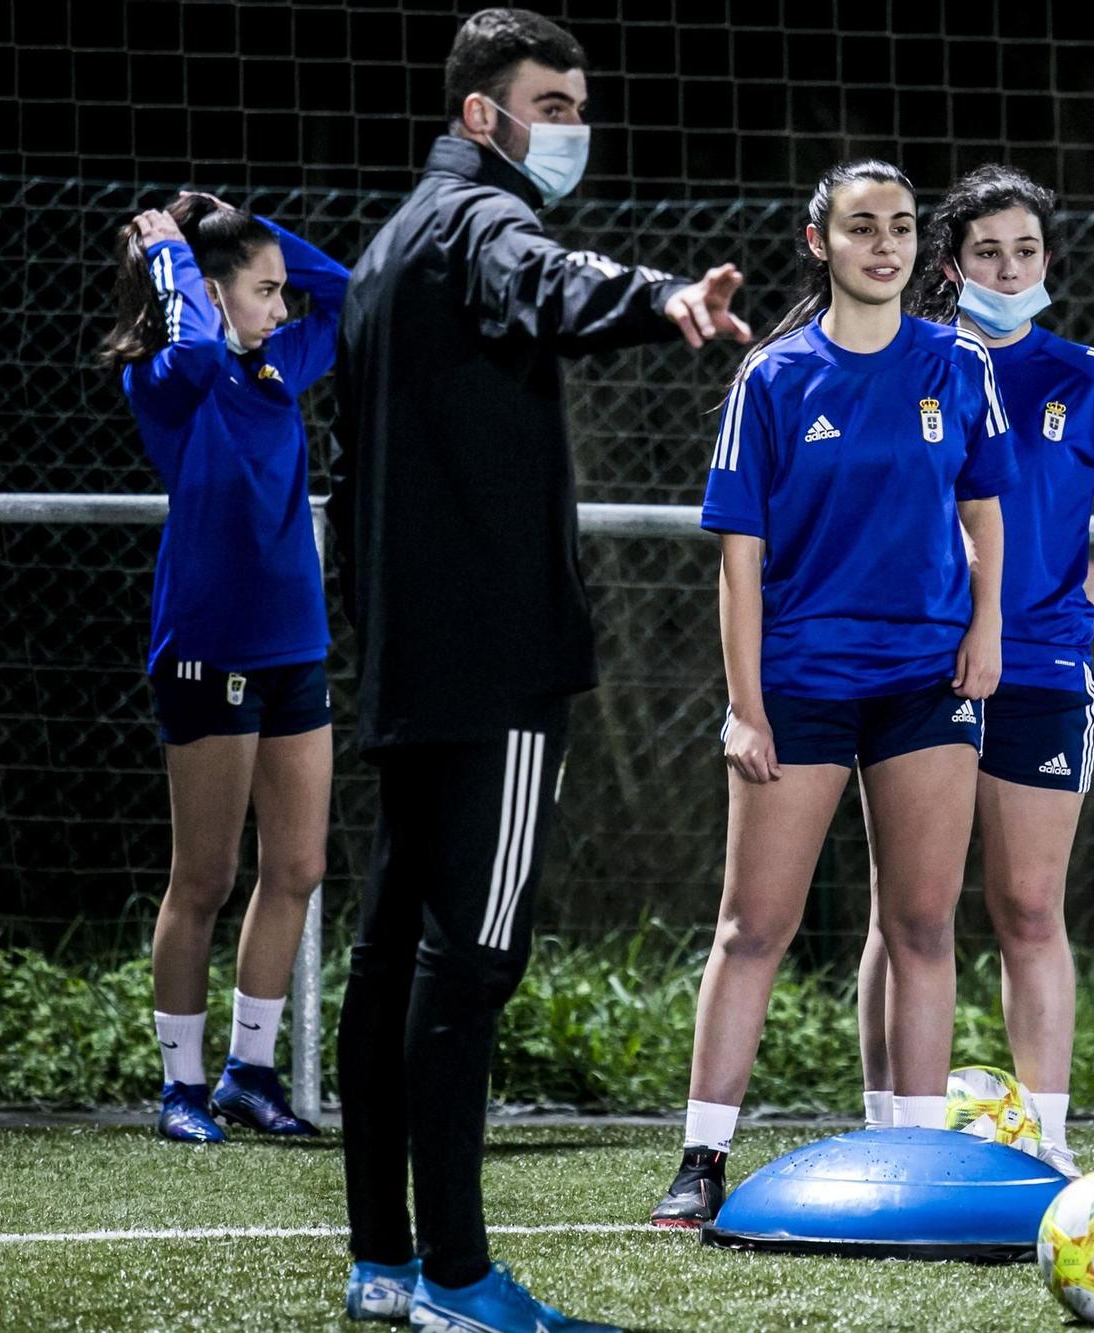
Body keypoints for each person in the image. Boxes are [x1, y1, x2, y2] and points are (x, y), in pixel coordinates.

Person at [328, 9, 753, 1328]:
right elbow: (551, 277)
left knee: (393, 953)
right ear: (481, 117)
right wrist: (663, 299)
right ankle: (460, 1279)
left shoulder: (382, 253)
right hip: (497, 665)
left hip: (403, 660)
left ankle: (386, 1263)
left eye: (577, 104)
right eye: (552, 105)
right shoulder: (478, 224)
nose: (572, 126)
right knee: (471, 963)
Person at [850, 165, 1094, 1178]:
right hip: (914, 669)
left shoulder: (1085, 376)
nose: (1008, 266)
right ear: (948, 266)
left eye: (1024, 249)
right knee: (905, 910)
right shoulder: (900, 364)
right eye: (986, 251)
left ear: (1045, 261)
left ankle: (1050, 1143)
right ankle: (890, 1134)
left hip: (1040, 666)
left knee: (1027, 906)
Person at [648, 159, 1017, 1228]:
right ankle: (701, 1158)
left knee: (920, 923)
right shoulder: (771, 378)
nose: (885, 245)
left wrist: (984, 630)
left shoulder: (957, 363)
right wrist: (744, 702)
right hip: (800, 681)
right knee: (751, 927)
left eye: (901, 227)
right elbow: (739, 558)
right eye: (862, 227)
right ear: (819, 242)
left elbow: (986, 514)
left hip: (926, 680)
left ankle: (914, 1160)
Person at [99, 190, 346, 1146]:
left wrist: (258, 231)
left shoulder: (279, 361)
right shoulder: (170, 375)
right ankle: (182, 1087)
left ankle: (249, 1072)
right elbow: (198, 345)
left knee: (297, 865)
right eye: (264, 291)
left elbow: (351, 297)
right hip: (206, 649)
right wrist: (172, 260)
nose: (283, 308)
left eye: (283, 294)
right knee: (203, 875)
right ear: (207, 292)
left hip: (296, 647)